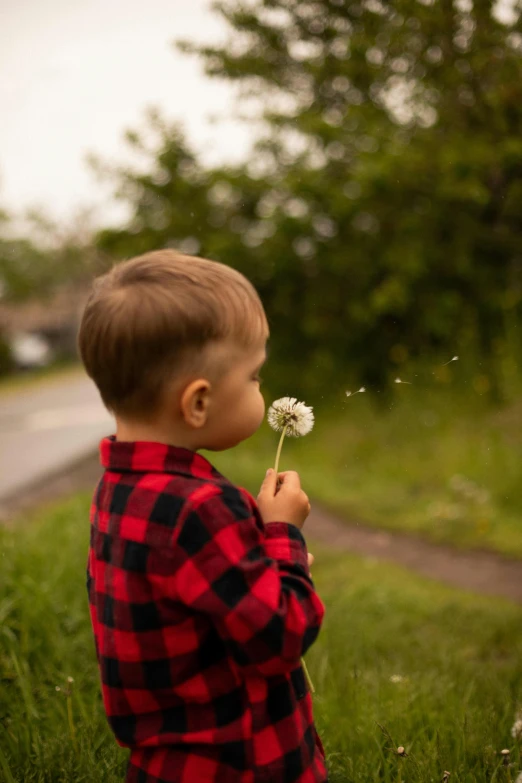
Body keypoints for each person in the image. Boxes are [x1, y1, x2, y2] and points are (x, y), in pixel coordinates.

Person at [78, 249, 327, 783]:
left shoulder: (116, 491)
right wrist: (284, 539)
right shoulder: (202, 508)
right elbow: (278, 638)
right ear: (197, 403)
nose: (262, 387)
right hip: (243, 763)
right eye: (255, 377)